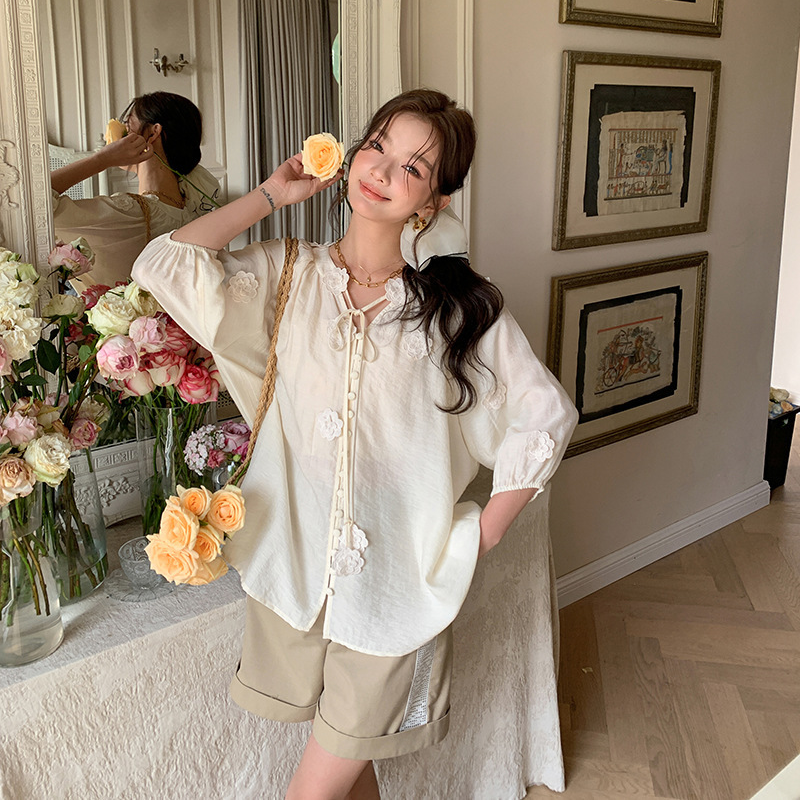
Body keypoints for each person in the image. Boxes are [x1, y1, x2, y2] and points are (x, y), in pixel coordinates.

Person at [132, 88, 578, 800]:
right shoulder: (285, 274)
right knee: (351, 764)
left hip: (397, 585)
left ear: (432, 202)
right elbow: (164, 263)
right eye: (377, 146)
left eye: (413, 167)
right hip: (293, 564)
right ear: (352, 156)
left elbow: (545, 413)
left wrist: (481, 534)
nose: (383, 170)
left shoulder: (456, 308)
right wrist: (271, 195)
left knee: (311, 789)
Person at [51, 91, 219, 288]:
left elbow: (32, 202)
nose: (115, 137)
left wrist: (102, 159)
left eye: (127, 126)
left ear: (153, 133)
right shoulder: (190, 207)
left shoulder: (129, 214)